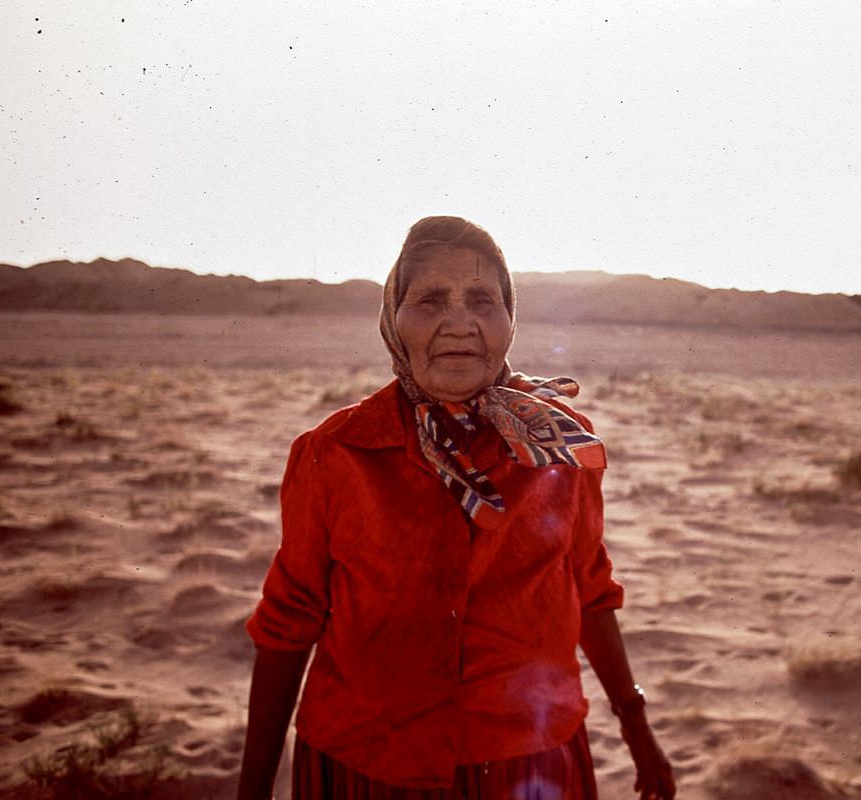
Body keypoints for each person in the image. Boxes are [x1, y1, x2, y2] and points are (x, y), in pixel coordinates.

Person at [237, 216, 675, 800]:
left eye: (482, 300)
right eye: (430, 301)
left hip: (527, 762)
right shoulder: (334, 453)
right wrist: (253, 788)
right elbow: (288, 623)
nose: (459, 323)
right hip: (367, 765)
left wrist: (638, 729)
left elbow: (588, 590)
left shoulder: (562, 446)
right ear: (394, 320)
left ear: (510, 318)